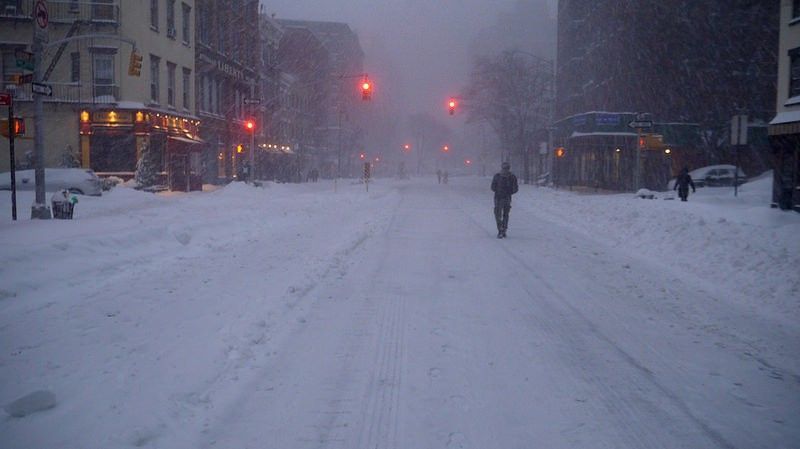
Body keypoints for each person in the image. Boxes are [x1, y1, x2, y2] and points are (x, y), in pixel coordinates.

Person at [491, 161, 519, 238]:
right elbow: (515, 188)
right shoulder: (512, 177)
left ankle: (501, 229)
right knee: (504, 214)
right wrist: (509, 192)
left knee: (499, 214)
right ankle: (503, 229)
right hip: (505, 198)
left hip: (500, 198)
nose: (505, 170)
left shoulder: (498, 176)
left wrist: (499, 191)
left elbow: (493, 187)